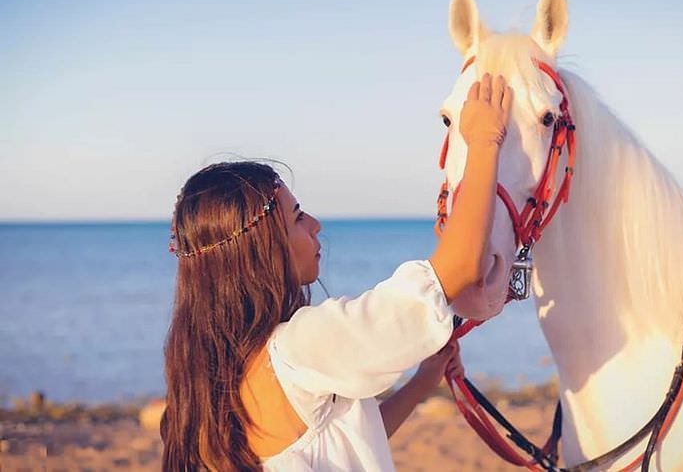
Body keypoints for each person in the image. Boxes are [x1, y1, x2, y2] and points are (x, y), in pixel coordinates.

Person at [161, 74, 512, 471]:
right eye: (297, 218)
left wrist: (422, 381)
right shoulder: (296, 348)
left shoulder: (219, 372)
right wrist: (484, 140)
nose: (315, 224)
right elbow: (459, 267)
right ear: (260, 250)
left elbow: (349, 439)